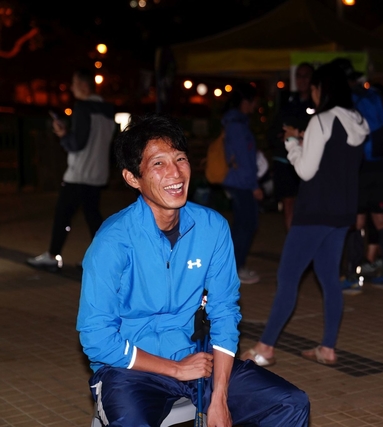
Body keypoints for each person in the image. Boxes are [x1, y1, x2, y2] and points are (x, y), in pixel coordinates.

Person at [76, 114, 310, 427]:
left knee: (290, 403)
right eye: (158, 163)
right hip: (128, 368)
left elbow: (224, 312)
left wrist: (219, 396)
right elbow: (97, 337)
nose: (175, 172)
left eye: (180, 158)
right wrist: (176, 369)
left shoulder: (212, 228)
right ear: (133, 178)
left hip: (195, 357)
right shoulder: (113, 241)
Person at [239, 62, 369, 366]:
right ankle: (327, 348)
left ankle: (265, 348)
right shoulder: (358, 121)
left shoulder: (322, 120)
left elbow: (306, 170)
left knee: (288, 277)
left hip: (314, 211)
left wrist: (291, 144)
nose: (312, 94)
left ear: (322, 89)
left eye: (314, 88)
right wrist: (304, 138)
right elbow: (334, 157)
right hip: (342, 211)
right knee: (329, 278)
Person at [27, 68, 116, 271]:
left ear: (84, 85)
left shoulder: (83, 108)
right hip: (98, 172)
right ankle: (101, 258)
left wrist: (63, 135)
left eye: (74, 83)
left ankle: (53, 256)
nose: (72, 87)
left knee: (63, 214)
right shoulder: (108, 110)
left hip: (79, 172)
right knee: (92, 216)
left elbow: (77, 144)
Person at [329, 57, 383, 294]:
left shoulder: (345, 100)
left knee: (357, 223)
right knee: (381, 221)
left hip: (359, 167)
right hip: (380, 166)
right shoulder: (372, 95)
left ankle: (353, 277)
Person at [221, 82, 263, 285]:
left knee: (243, 225)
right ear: (245, 102)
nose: (255, 106)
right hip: (241, 183)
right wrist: (254, 186)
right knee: (246, 225)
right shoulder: (237, 125)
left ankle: (235, 267)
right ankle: (235, 268)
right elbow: (243, 160)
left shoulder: (236, 123)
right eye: (254, 102)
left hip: (239, 181)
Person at [266, 62, 315, 231]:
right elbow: (273, 131)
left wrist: (299, 135)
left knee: (308, 203)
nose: (302, 80)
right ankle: (292, 239)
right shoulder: (287, 100)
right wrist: (283, 137)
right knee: (288, 202)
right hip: (285, 161)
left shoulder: (317, 103)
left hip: (309, 160)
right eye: (298, 76)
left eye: (306, 76)